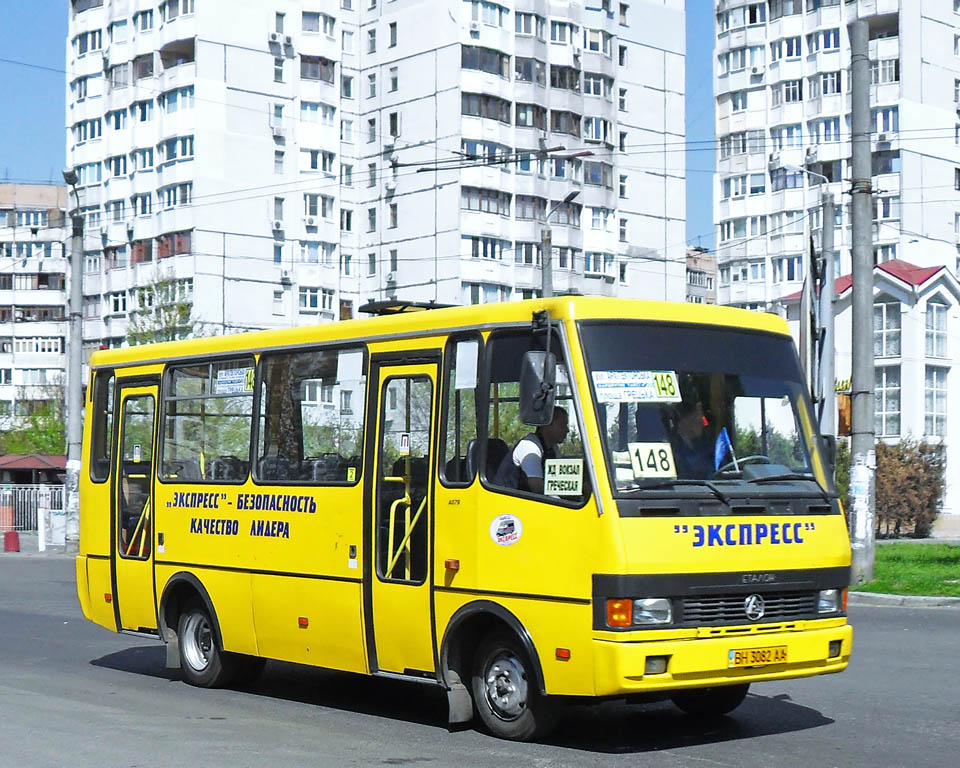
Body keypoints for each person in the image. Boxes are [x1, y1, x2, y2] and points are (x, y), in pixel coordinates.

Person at [493, 407, 569, 495]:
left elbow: (558, 481)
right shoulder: (530, 448)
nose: (567, 430)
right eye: (562, 425)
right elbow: (537, 488)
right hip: (508, 503)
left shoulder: (553, 449)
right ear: (547, 425)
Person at [670, 400, 715, 480]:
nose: (703, 422)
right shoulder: (672, 447)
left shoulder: (704, 445)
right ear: (685, 419)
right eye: (699, 416)